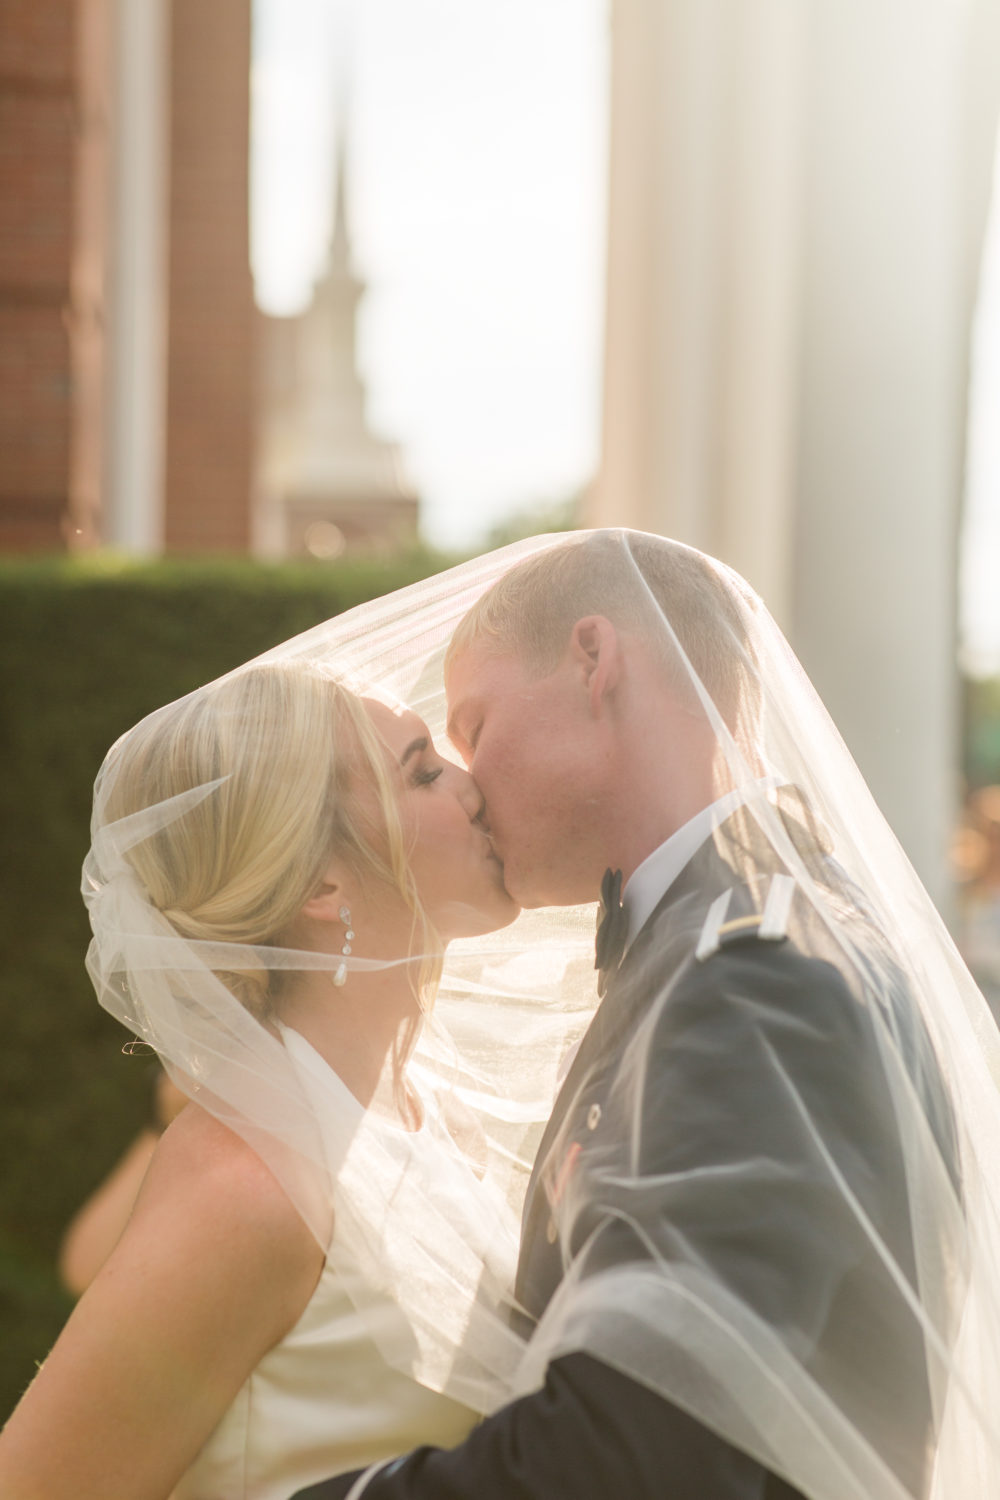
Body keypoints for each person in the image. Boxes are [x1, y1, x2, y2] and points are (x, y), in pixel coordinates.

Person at [291, 530, 1000, 1500]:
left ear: (594, 660)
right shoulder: (731, 937)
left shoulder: (754, 975)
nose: (470, 788)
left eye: (475, 728)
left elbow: (642, 1443)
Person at [0, 655, 594, 1498]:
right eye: (423, 772)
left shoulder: (436, 1119)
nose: (472, 787)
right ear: (322, 884)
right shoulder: (246, 1184)